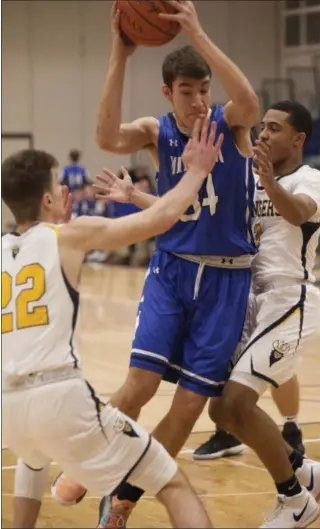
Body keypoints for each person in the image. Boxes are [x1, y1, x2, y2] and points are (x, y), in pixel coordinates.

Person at [54, 0, 261, 524]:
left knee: (188, 407)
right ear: (168, 93)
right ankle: (84, 460)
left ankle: (121, 500)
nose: (197, 100)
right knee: (138, 387)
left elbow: (251, 100)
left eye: (203, 89)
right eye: (186, 91)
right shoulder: (156, 131)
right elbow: (105, 137)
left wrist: (198, 30)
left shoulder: (230, 123)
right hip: (172, 271)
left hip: (226, 282)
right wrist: (119, 54)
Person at [2, 116, 221, 529]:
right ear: (48, 200)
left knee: (30, 465)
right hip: (59, 396)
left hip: (8, 406)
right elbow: (159, 220)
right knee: (171, 483)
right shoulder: (70, 234)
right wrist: (196, 171)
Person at [193, 101, 320, 527]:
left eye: (274, 128)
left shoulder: (311, 179)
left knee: (236, 401)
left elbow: (298, 212)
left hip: (291, 300)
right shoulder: (251, 182)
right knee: (221, 410)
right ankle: (305, 471)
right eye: (262, 128)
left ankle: (295, 501)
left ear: (298, 138)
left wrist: (268, 180)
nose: (264, 134)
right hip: (249, 301)